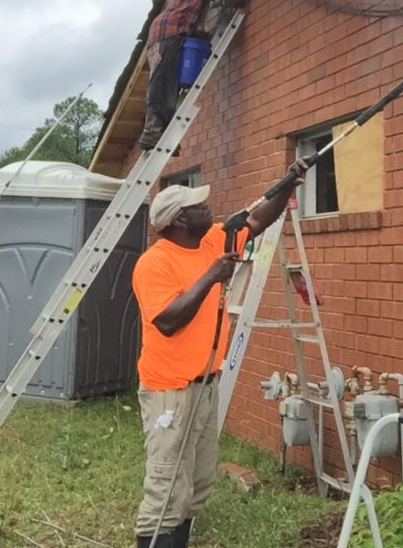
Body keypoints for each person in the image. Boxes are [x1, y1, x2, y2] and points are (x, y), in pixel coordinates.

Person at [131, 158, 307, 548]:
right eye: (198, 206)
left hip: (205, 386)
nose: (208, 208)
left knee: (197, 482)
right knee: (166, 488)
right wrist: (211, 276)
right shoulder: (154, 263)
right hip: (170, 393)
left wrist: (289, 184)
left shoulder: (210, 239)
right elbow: (167, 321)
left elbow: (258, 220)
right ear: (178, 220)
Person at [138, 0, 239, 150]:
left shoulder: (177, 0)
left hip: (158, 38)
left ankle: (161, 136)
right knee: (164, 87)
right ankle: (152, 134)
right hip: (168, 35)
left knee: (164, 84)